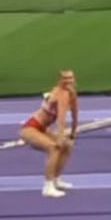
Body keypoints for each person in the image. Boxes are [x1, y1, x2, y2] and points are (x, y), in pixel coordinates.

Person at [19, 69, 79, 198]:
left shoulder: (71, 94)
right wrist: (60, 137)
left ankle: (56, 179)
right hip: (30, 128)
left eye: (71, 78)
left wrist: (72, 134)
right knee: (54, 148)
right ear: (60, 80)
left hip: (42, 129)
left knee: (67, 146)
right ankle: (48, 186)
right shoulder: (60, 94)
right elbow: (61, 119)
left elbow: (75, 116)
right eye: (65, 79)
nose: (68, 81)